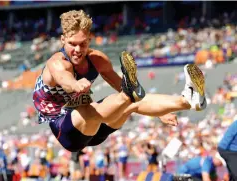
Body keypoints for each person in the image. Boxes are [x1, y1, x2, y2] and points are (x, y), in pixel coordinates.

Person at [32, 10, 207, 152]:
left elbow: (123, 87)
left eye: (83, 44)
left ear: (89, 41)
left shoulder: (97, 59)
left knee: (131, 101)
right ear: (63, 40)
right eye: (72, 44)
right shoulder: (57, 63)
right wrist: (76, 85)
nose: (78, 49)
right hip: (67, 132)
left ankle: (188, 100)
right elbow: (65, 79)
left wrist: (159, 112)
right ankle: (126, 98)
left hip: (97, 128)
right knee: (93, 109)